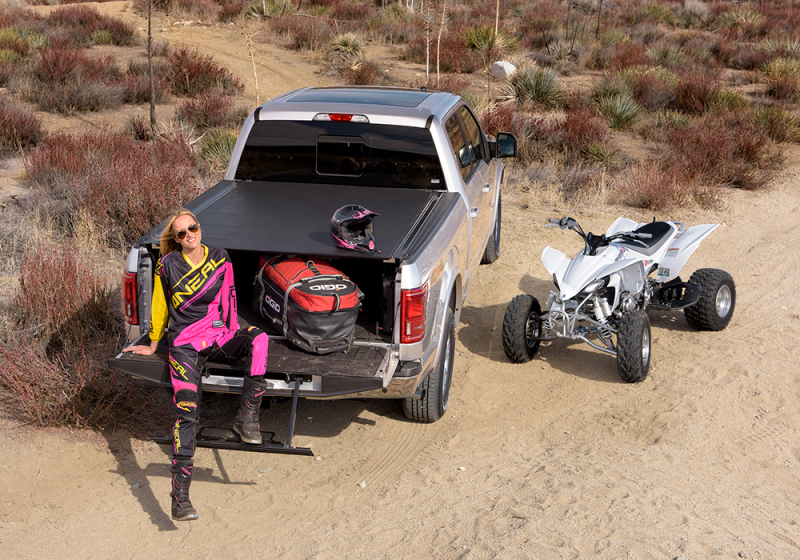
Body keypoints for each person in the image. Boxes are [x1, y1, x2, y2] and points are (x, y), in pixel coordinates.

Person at [124, 208, 270, 521]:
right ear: (175, 239)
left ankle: (247, 419)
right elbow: (160, 305)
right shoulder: (167, 264)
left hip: (217, 337)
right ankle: (180, 499)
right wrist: (153, 342)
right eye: (182, 233)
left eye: (193, 228)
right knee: (187, 414)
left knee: (260, 339)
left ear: (199, 227)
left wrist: (233, 330)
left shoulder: (220, 257)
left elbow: (230, 296)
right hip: (185, 346)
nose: (190, 235)